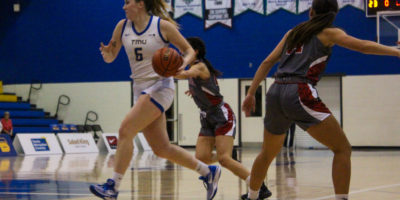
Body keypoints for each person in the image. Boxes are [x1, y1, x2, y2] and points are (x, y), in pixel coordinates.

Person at [241, 0, 400, 198]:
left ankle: (253, 196)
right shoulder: (329, 32)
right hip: (299, 90)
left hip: (275, 91)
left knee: (266, 154)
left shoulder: (292, 33)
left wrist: (250, 93)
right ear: (333, 15)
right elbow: (364, 47)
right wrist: (395, 51)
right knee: (342, 148)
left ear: (311, 12)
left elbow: (267, 61)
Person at [89, 1, 221, 200]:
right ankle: (208, 171)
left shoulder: (161, 26)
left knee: (126, 130)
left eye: (127, 2)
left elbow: (189, 51)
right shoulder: (121, 26)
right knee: (161, 149)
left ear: (140, 3)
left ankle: (113, 187)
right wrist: (107, 54)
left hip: (160, 87)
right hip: (139, 89)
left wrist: (181, 65)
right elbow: (111, 57)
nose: (124, 6)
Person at [175, 37, 272, 200]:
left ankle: (260, 186)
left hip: (221, 115)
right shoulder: (196, 68)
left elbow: (186, 74)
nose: (181, 53)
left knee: (224, 159)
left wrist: (166, 70)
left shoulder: (199, 66)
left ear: (195, 51)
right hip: (206, 116)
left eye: (184, 50)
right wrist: (195, 92)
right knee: (201, 158)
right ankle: (228, 156)